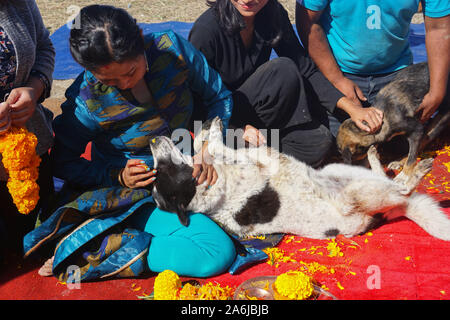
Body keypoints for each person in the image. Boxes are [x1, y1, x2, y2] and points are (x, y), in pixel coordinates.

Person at [24, 5, 237, 281]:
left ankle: (95, 241)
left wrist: (209, 146)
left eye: (132, 70)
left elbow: (219, 98)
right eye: (110, 80)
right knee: (214, 252)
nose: (125, 84)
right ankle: (104, 248)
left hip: (193, 174)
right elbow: (63, 161)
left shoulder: (172, 51)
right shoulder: (88, 100)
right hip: (139, 197)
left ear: (139, 37)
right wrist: (117, 174)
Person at [189, 0, 383, 168]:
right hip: (220, 123)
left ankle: (257, 157)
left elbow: (305, 68)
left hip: (259, 118)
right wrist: (236, 129)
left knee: (319, 144)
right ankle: (242, 154)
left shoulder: (272, 15)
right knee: (282, 70)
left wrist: (352, 109)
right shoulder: (206, 31)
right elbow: (196, 106)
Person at [296, 0, 450, 136]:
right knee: (329, 142)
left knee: (402, 140)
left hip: (398, 72)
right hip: (339, 71)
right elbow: (307, 21)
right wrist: (337, 80)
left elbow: (439, 28)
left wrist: (437, 91)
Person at [0, 0, 55, 262]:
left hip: (29, 152)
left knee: (32, 246)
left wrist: (35, 88)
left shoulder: (17, 4)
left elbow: (44, 47)